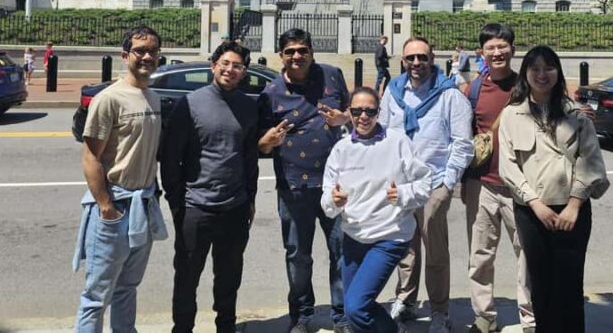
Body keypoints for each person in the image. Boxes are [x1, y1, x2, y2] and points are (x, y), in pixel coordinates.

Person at [498, 45, 609, 333]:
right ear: (525, 74)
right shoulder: (511, 115)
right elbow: (508, 167)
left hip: (573, 210)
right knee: (542, 286)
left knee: (570, 286)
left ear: (558, 72)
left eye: (548, 67)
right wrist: (535, 203)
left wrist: (574, 205)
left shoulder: (576, 115)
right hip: (532, 211)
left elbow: (592, 161)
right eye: (534, 68)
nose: (541, 74)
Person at [72, 26, 168, 332]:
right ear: (125, 55)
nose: (147, 56)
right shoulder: (109, 98)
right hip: (115, 206)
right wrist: (105, 207)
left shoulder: (152, 96)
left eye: (153, 50)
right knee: (96, 296)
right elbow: (90, 158)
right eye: (140, 50)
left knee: (127, 288)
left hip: (143, 203)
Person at [258, 28, 352, 333]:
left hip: (335, 185)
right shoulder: (270, 93)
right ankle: (302, 315)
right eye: (290, 52)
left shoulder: (332, 76)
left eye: (302, 50)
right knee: (298, 255)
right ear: (281, 56)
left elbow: (354, 113)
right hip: (294, 187)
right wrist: (268, 141)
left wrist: (345, 117)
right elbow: (259, 144)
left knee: (341, 252)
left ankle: (342, 314)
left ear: (312, 51)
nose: (297, 56)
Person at [160, 40, 258, 333]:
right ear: (213, 66)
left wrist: (250, 197)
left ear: (244, 72)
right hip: (196, 208)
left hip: (235, 208)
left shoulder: (247, 106)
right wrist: (177, 204)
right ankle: (183, 328)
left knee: (229, 277)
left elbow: (249, 156)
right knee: (187, 278)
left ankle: (225, 326)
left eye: (237, 66)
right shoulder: (189, 104)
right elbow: (170, 158)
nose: (230, 70)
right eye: (225, 64)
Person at [380, 36, 474, 333]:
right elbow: (381, 133)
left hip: (433, 183)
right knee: (404, 249)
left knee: (435, 252)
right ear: (403, 61)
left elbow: (463, 144)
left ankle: (439, 310)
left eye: (422, 57)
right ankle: (406, 301)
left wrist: (448, 183)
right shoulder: (393, 93)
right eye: (411, 58)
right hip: (400, 186)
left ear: (432, 58)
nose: (417, 63)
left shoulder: (450, 95)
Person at [321, 87, 432, 333]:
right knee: (356, 313)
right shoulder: (341, 149)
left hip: (389, 236)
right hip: (353, 236)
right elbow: (327, 196)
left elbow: (425, 182)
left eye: (370, 111)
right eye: (357, 110)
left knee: (357, 307)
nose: (363, 116)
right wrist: (334, 201)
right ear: (348, 112)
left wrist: (403, 194)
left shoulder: (398, 141)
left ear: (378, 112)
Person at [460, 24, 535, 333]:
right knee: (480, 256)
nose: (497, 52)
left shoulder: (528, 87)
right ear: (482, 53)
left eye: (502, 46)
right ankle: (484, 317)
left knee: (527, 257)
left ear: (513, 50)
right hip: (483, 184)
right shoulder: (473, 90)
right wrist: (464, 181)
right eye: (490, 47)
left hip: (522, 186)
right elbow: (464, 136)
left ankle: (530, 318)